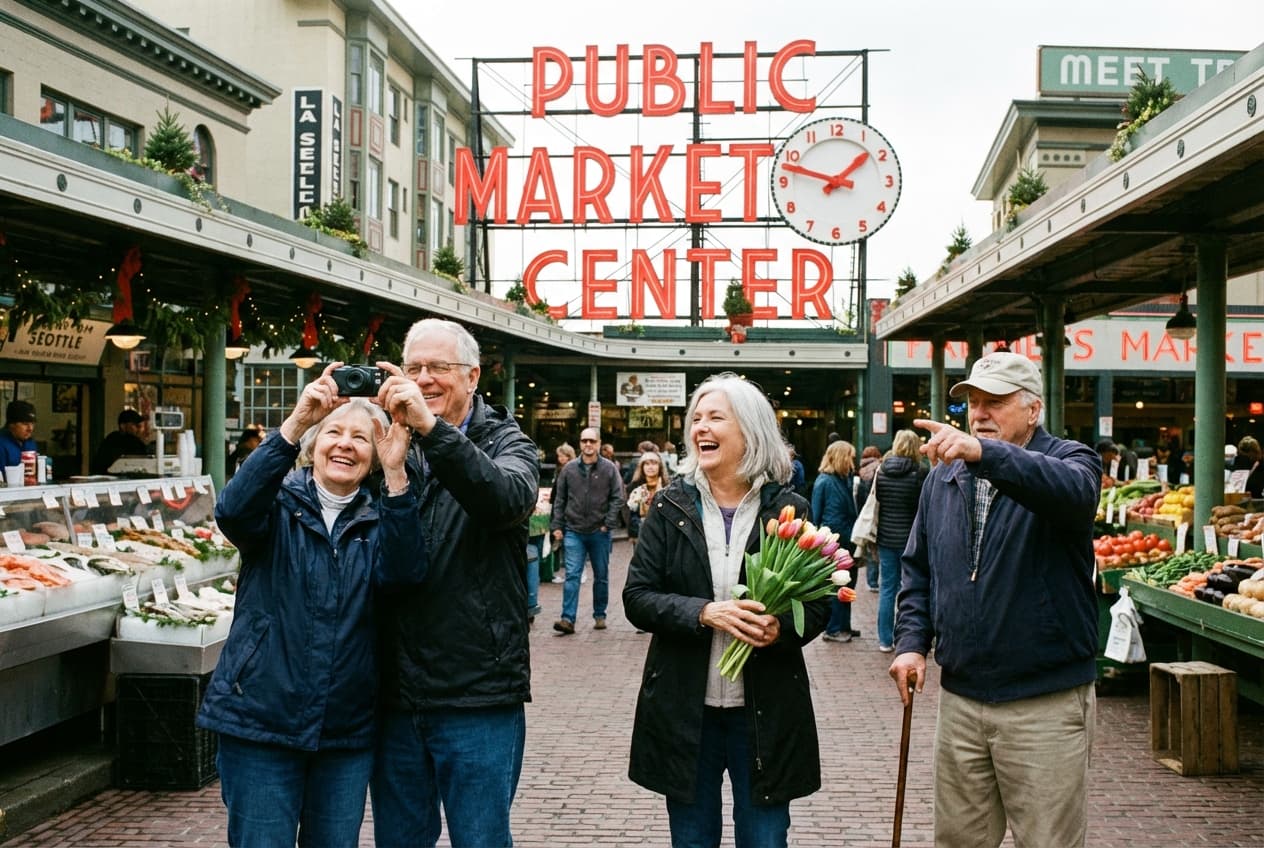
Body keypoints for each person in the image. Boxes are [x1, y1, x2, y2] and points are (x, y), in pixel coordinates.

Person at [197, 364, 425, 848]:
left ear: (373, 453)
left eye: (361, 438)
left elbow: (404, 577)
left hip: (344, 733)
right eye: (334, 433)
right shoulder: (275, 505)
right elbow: (231, 512)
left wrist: (397, 472)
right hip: (261, 722)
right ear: (313, 446)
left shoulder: (383, 518)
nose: (345, 444)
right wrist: (298, 420)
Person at [890, 351, 1100, 848]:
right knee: (960, 841)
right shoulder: (943, 477)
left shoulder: (1071, 460)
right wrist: (911, 642)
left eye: (995, 402)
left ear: (1033, 409)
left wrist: (985, 456)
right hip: (962, 700)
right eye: (974, 403)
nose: (979, 414)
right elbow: (918, 569)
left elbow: (1074, 494)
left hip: (1043, 704)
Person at [624, 373, 828, 847]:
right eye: (696, 418)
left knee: (764, 839)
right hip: (685, 710)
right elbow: (638, 597)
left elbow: (818, 604)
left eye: (716, 417)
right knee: (692, 840)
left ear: (750, 431)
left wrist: (781, 628)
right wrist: (703, 613)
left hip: (764, 713)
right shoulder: (670, 506)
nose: (701, 428)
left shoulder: (789, 510)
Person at [370, 318, 540, 848]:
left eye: (438, 368)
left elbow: (506, 500)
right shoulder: (387, 440)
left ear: (472, 376)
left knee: (481, 839)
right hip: (393, 692)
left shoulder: (510, 442)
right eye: (414, 367)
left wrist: (433, 432)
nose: (424, 379)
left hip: (477, 695)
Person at [551, 426, 624, 634]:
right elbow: (560, 499)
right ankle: (567, 619)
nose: (588, 445)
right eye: (584, 441)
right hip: (574, 530)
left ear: (599, 443)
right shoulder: (569, 469)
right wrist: (557, 525)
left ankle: (600, 614)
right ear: (580, 443)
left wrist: (608, 523)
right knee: (572, 575)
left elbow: (618, 497)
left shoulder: (609, 469)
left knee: (601, 575)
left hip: (599, 532)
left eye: (592, 441)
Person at [864, 430, 927, 653]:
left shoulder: (881, 472)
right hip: (911, 539)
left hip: (886, 538)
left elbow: (875, 502)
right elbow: (922, 507)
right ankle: (908, 638)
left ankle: (884, 639)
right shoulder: (919, 473)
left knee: (887, 588)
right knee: (911, 588)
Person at [813, 439, 860, 642]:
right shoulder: (824, 481)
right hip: (834, 542)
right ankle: (833, 628)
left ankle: (843, 625)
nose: (853, 461)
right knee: (836, 586)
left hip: (847, 540)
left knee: (848, 583)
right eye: (850, 457)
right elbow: (816, 514)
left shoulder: (844, 479)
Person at [626, 451, 670, 550]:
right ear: (642, 467)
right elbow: (632, 515)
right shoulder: (635, 487)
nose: (650, 467)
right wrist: (633, 533)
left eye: (654, 463)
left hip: (663, 534)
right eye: (647, 463)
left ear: (660, 467)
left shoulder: (668, 487)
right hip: (641, 534)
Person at [856, 445, 883, 592]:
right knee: (876, 546)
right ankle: (876, 579)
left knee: (870, 547)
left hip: (865, 512)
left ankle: (871, 581)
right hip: (876, 511)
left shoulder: (861, 470)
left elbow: (860, 495)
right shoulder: (878, 468)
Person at [91, 409, 149, 474]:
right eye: (134, 425)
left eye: (138, 425)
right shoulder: (115, 440)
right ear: (122, 426)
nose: (138, 428)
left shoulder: (134, 440)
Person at [0, 400, 36, 470]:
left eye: (32, 423)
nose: (30, 428)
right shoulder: (1, 443)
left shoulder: (30, 442)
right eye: (25, 423)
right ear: (11, 424)